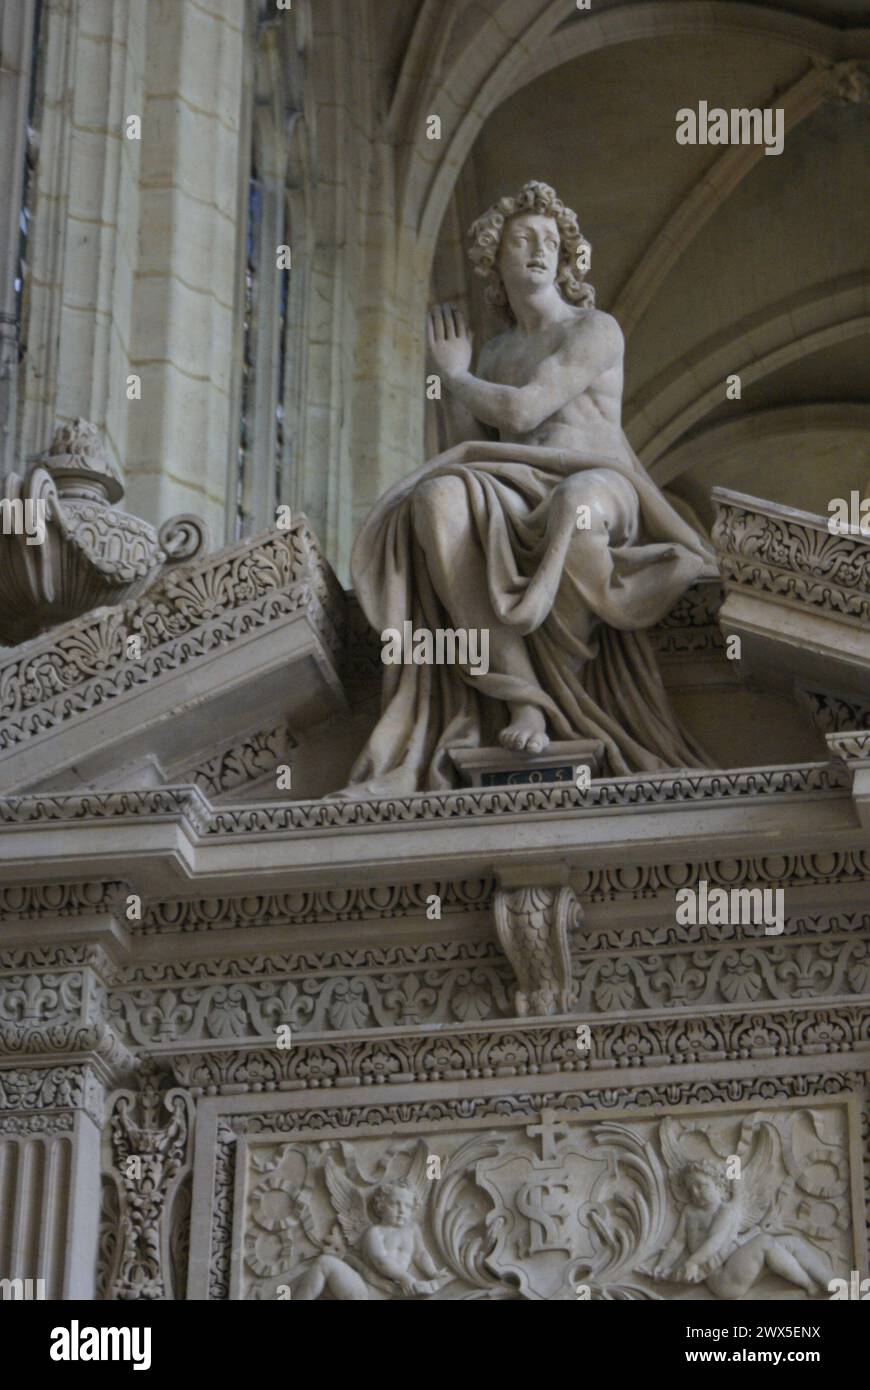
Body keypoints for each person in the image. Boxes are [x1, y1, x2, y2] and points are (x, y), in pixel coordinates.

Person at [333, 181, 715, 798]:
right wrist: (459, 384)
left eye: (550, 241)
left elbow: (522, 411)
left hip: (598, 481)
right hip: (511, 482)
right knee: (436, 500)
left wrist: (453, 375)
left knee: (575, 510)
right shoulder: (495, 354)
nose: (538, 249)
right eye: (522, 239)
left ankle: (558, 671)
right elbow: (467, 448)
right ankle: (525, 698)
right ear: (495, 259)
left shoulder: (595, 329)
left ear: (566, 260)